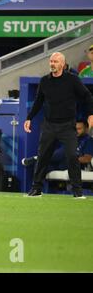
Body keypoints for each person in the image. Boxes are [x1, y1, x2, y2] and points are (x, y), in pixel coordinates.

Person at [24, 52, 93, 199]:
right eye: (51, 61)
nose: (52, 64)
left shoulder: (72, 80)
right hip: (49, 125)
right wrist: (29, 118)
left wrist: (91, 114)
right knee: (42, 157)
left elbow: (87, 96)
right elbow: (38, 101)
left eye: (55, 61)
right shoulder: (44, 81)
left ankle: (77, 192)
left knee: (72, 156)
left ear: (62, 64)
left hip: (67, 125)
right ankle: (36, 189)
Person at [22, 120, 93, 171]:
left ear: (86, 129)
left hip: (74, 165)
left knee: (64, 151)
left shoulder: (89, 140)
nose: (76, 131)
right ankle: (39, 190)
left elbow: (87, 159)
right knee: (39, 166)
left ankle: (38, 157)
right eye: (75, 129)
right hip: (60, 162)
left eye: (79, 129)